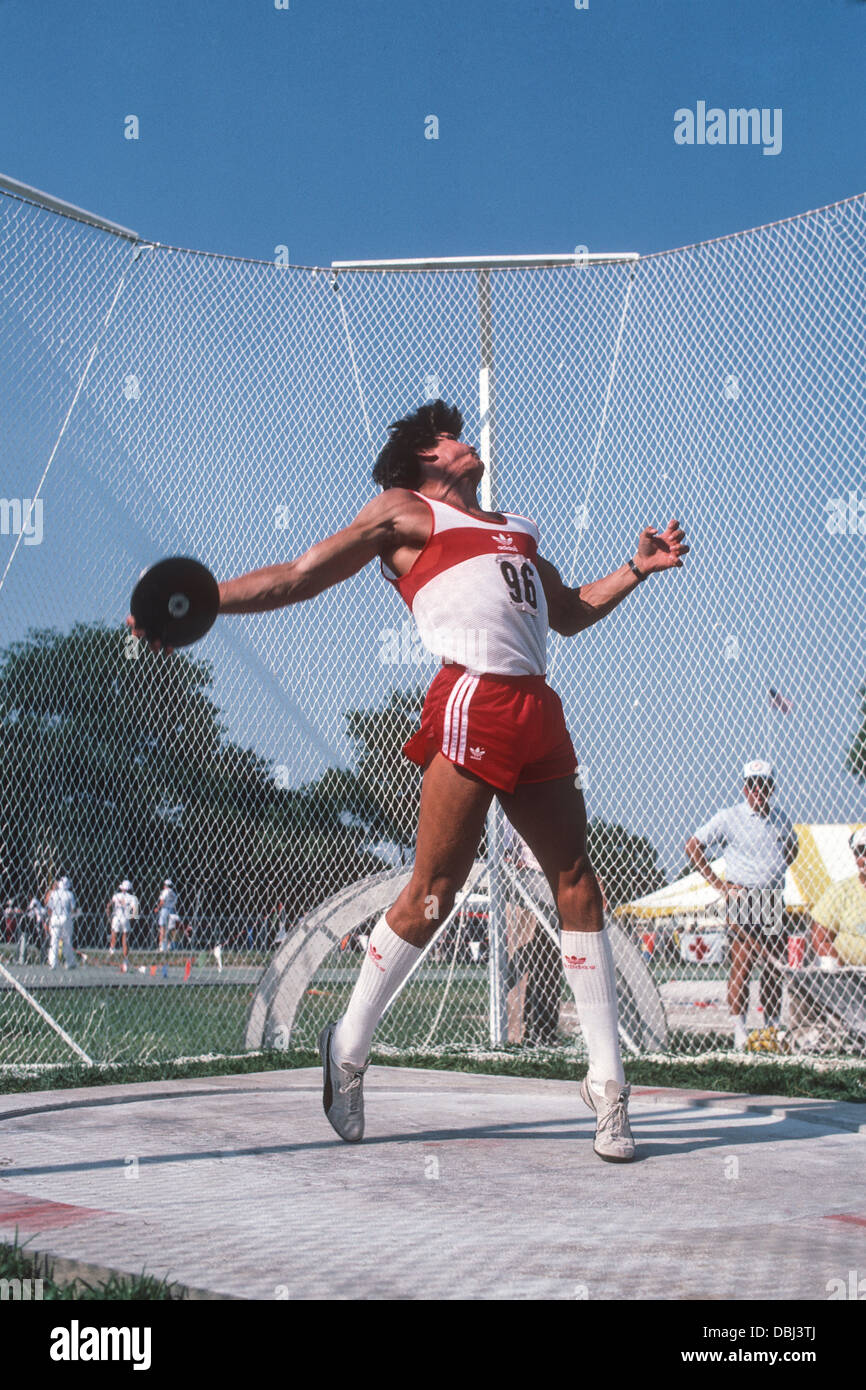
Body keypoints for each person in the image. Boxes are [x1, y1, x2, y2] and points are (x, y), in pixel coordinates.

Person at [130, 398, 688, 1162]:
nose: (466, 443)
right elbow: (299, 575)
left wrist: (636, 569)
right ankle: (350, 1047)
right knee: (435, 892)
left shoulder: (516, 528)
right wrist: (196, 605)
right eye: (452, 437)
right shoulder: (402, 511)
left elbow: (568, 612)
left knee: (579, 884)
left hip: (537, 705)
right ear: (427, 457)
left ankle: (608, 1087)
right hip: (472, 697)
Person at [685, 760, 798, 1051]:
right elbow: (693, 845)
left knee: (773, 968)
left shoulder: (781, 818)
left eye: (764, 785)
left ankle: (771, 1027)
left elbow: (793, 847)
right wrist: (720, 885)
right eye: (753, 784)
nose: (758, 790)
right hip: (743, 899)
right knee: (743, 965)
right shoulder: (729, 817)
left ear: (772, 788)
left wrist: (775, 870)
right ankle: (740, 1031)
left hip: (772, 899)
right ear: (745, 787)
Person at [502, 822, 562, 1044]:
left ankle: (545, 1030)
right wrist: (510, 856)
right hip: (524, 882)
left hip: (553, 881)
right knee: (520, 959)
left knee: (550, 964)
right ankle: (516, 1033)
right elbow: (505, 840)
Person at [810, 826, 866, 967]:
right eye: (862, 851)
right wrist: (840, 968)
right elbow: (820, 939)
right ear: (854, 855)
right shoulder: (840, 892)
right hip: (848, 978)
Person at [46, 875, 77, 970]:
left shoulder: (54, 894)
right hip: (65, 917)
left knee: (54, 941)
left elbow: (49, 908)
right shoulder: (69, 894)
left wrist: (50, 918)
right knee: (67, 941)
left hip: (55, 917)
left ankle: (52, 963)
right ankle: (68, 962)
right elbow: (73, 909)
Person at [107, 878, 139, 965]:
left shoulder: (116, 895)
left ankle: (111, 951)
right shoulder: (132, 898)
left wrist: (109, 916)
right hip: (125, 918)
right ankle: (125, 959)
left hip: (116, 917)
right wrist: (131, 920)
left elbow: (108, 906)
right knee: (125, 939)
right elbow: (135, 912)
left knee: (114, 934)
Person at [155, 880, 177, 952]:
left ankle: (162, 946)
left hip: (165, 910)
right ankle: (170, 945)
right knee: (171, 929)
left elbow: (162, 901)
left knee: (162, 927)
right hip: (172, 910)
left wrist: (157, 908)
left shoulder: (165, 891)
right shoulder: (173, 893)